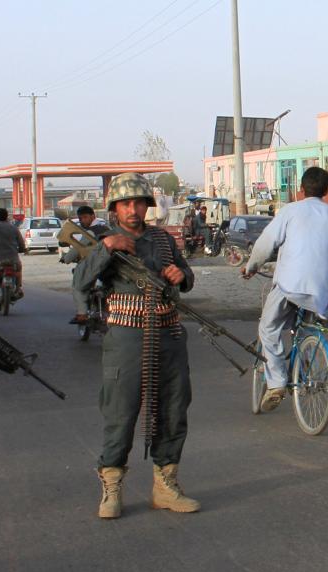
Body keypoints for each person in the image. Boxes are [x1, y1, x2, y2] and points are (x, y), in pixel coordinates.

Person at [73, 173, 200, 518]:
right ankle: (112, 486)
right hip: (126, 336)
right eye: (125, 203)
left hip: (169, 331)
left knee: (173, 410)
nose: (133, 210)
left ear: (147, 206)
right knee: (121, 412)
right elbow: (81, 281)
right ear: (114, 208)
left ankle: (165, 485)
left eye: (139, 202)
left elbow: (186, 274)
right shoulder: (104, 241)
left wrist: (181, 276)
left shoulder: (162, 238)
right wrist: (107, 248)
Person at [242, 166, 328, 411]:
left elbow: (265, 244)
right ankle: (304, 357)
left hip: (290, 285)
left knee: (269, 327)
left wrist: (251, 266)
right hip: (322, 289)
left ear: (301, 190)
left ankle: (278, 382)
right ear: (326, 190)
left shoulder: (290, 211)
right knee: (304, 327)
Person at [62, 205, 109, 324]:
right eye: (81, 218)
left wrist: (66, 258)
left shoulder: (89, 232)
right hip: (110, 265)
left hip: (95, 265)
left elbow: (77, 248)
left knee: (78, 287)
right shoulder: (106, 228)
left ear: (93, 216)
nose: (83, 220)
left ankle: (82, 314)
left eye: (85, 217)